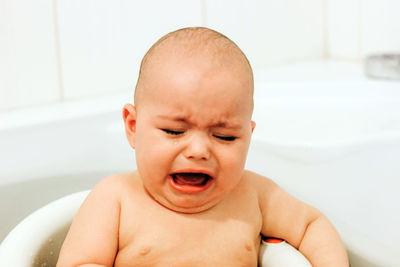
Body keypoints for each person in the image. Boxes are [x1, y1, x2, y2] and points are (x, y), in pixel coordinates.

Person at [57, 27, 349, 267]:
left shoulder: (254, 194)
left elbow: (312, 225)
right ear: (133, 127)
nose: (198, 151)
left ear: (248, 135)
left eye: (224, 136)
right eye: (174, 131)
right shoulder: (116, 199)